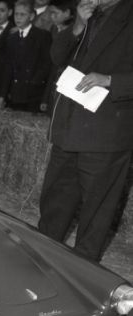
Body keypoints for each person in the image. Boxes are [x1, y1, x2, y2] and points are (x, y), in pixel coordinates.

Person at [38, 0, 133, 262]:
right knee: (55, 202)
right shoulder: (88, 13)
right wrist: (78, 24)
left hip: (106, 131)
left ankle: (83, 272)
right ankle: (40, 258)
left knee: (96, 212)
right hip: (69, 126)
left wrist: (111, 80)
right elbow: (57, 57)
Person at [0, 0, 52, 113]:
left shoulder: (42, 36)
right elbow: (8, 68)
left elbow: (46, 65)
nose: (18, 18)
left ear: (31, 16)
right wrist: (2, 95)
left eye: (22, 14)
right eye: (16, 14)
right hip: (16, 94)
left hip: (34, 94)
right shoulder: (11, 38)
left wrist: (35, 83)